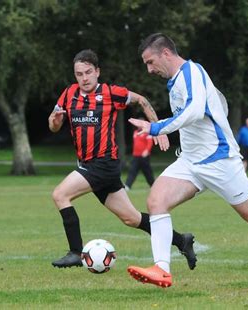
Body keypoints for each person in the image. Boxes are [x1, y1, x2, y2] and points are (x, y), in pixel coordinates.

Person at [126, 33, 248, 288]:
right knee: (156, 200)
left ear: (166, 53)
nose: (149, 69)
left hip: (219, 159)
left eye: (150, 62)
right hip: (191, 162)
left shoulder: (192, 72)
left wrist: (156, 128)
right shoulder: (175, 81)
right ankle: (161, 269)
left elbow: (196, 110)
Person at [48, 49, 196, 270]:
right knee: (132, 219)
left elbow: (142, 101)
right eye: (79, 74)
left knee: (60, 195)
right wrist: (54, 120)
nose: (84, 78)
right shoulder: (69, 94)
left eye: (88, 72)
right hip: (88, 166)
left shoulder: (110, 92)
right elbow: (54, 126)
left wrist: (159, 130)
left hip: (103, 164)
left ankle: (76, 252)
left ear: (97, 72)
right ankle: (181, 240)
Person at [125, 117, 155, 190]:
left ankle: (153, 185)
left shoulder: (147, 132)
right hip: (136, 156)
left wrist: (147, 151)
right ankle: (127, 185)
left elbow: (150, 143)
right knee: (132, 170)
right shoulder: (135, 132)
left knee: (147, 172)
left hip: (144, 156)